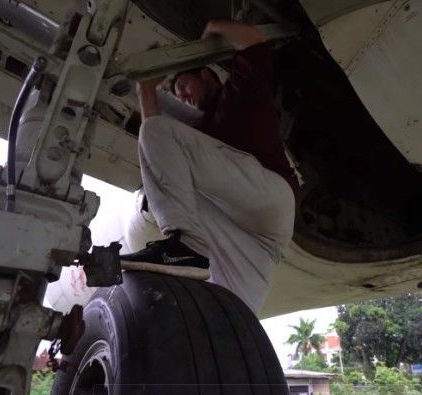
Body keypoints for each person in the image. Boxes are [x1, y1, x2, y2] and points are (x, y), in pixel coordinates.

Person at [120, 20, 298, 313]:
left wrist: (212, 29)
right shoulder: (204, 132)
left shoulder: (238, 93)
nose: (183, 97)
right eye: (177, 94)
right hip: (260, 237)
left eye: (184, 86)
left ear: (206, 75)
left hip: (269, 191)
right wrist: (145, 88)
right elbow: (158, 152)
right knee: (229, 313)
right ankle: (190, 251)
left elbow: (253, 40)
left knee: (157, 132)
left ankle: (185, 247)